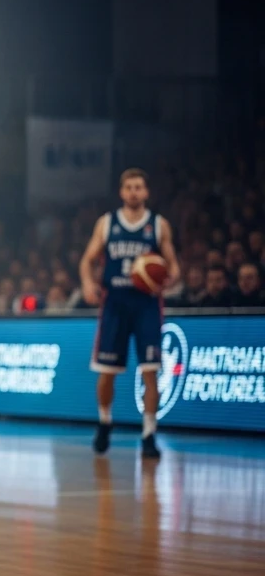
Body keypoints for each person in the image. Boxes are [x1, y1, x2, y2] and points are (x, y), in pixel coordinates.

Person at [80, 169, 180, 459]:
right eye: (129, 187)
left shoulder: (159, 225)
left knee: (151, 371)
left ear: (146, 192)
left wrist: (166, 278)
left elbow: (174, 267)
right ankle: (104, 422)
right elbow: (87, 260)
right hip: (115, 303)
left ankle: (149, 434)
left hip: (146, 304)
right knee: (106, 373)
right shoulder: (107, 223)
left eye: (139, 187)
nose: (134, 192)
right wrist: (87, 282)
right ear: (122, 192)